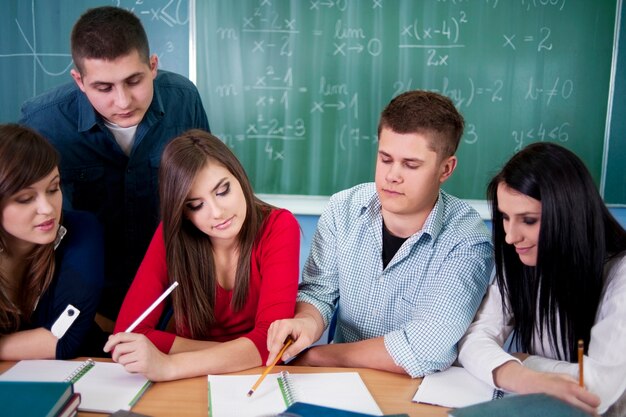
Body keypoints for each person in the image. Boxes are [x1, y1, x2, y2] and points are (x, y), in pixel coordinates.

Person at [266, 90, 494, 377]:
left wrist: (318, 356)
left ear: (445, 169)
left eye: (410, 165)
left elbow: (424, 348)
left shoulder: (467, 239)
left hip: (415, 389)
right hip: (341, 381)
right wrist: (306, 324)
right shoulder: (342, 209)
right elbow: (319, 293)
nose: (392, 175)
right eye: (385, 159)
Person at [19, 6, 210, 326]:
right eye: (103, 88)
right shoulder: (44, 122)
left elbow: (205, 186)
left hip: (173, 294)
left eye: (134, 81)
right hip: (81, 301)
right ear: (79, 81)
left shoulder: (183, 99)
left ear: (153, 67)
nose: (122, 102)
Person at [103, 130, 300, 381]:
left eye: (223, 190)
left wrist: (169, 365)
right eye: (196, 205)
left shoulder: (279, 226)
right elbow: (127, 334)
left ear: (238, 176)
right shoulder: (172, 236)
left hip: (253, 377)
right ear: (183, 212)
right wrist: (246, 351)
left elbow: (271, 342)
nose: (217, 212)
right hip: (195, 379)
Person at [457, 142, 626, 416]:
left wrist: (521, 362)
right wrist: (521, 375)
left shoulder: (621, 274)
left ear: (568, 214)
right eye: (505, 217)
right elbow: (473, 340)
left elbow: (596, 390)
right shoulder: (524, 260)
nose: (511, 237)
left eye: (529, 220)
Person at [0, 124, 104, 360]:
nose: (48, 209)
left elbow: (60, 340)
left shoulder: (81, 231)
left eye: (53, 188)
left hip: (87, 374)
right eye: (25, 199)